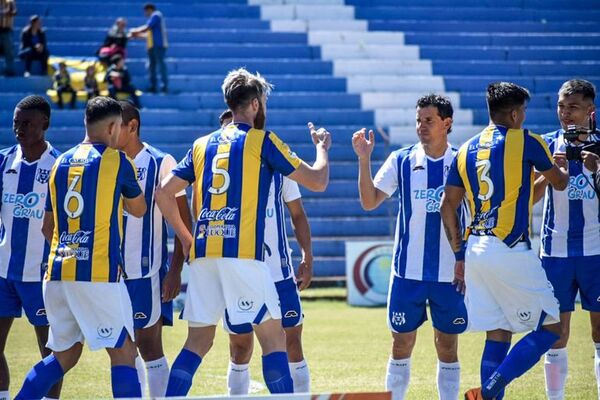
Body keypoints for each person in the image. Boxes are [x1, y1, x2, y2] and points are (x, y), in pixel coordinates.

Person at [154, 68, 331, 396]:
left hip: (205, 255)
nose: (264, 108)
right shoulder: (261, 141)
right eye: (262, 102)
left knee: (198, 342)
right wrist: (322, 148)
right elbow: (318, 181)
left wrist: (186, 237)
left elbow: (164, 193)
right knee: (274, 340)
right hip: (243, 255)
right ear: (253, 104)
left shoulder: (201, 145)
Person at [440, 82, 570, 400]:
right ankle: (489, 390)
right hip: (511, 248)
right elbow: (560, 184)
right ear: (514, 114)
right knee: (553, 328)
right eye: (522, 112)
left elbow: (447, 207)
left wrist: (459, 252)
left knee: (498, 333)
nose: (523, 117)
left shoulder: (465, 149)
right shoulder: (528, 141)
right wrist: (560, 168)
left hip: (475, 252)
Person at [14, 97, 147, 400]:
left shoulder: (59, 162)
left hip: (58, 272)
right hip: (96, 275)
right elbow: (138, 209)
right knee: (124, 352)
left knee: (65, 354)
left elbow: (47, 227)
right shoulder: (116, 161)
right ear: (113, 127)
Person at [352, 94, 467, 400]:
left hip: (448, 274)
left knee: (447, 346)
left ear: (447, 123)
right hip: (407, 273)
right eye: (418, 120)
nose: (421, 126)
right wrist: (364, 159)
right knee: (401, 344)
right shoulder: (401, 160)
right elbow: (369, 201)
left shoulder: (462, 161)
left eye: (428, 120)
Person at [219, 109, 314, 395]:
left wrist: (307, 256)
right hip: (236, 273)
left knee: (291, 342)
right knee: (239, 347)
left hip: (278, 273)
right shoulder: (216, 171)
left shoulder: (278, 162)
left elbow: (297, 213)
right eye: (226, 133)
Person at [116, 101, 192, 398]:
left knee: (149, 346)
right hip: (109, 273)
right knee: (122, 348)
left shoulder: (161, 162)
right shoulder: (106, 161)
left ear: (132, 126)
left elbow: (183, 223)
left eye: (115, 126)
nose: (108, 132)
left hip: (146, 272)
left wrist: (174, 272)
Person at [533, 79, 600, 400]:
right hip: (554, 254)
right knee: (555, 335)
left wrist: (599, 170)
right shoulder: (545, 145)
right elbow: (527, 200)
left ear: (591, 111)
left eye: (573, 106)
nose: (565, 113)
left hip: (596, 254)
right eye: (561, 106)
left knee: (599, 333)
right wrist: (548, 173)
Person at [0, 95, 62, 400]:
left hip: (41, 274)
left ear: (45, 124)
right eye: (16, 122)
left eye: (27, 123)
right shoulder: (2, 161)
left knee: (50, 350)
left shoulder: (60, 166)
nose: (19, 128)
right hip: (3, 271)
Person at [129, 3, 168, 93]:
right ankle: (153, 86)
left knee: (160, 66)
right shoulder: (152, 19)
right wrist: (136, 35)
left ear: (149, 9)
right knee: (152, 67)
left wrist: (135, 31)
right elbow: (147, 35)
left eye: (145, 11)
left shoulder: (156, 15)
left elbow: (147, 28)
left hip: (158, 46)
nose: (145, 13)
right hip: (151, 46)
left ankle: (164, 86)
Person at [0, 0, 17, 76]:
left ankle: (9, 70)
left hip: (6, 29)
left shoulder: (10, 2)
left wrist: (7, 12)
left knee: (8, 51)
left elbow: (15, 12)